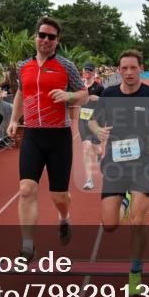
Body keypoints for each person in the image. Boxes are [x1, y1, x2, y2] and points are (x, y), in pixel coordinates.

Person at [88, 49, 149, 296]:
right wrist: (98, 132)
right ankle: (124, 200)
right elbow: (92, 121)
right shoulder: (109, 94)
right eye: (124, 68)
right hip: (115, 165)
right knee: (109, 225)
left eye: (133, 68)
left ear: (140, 68)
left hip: (143, 164)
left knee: (138, 222)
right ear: (119, 70)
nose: (128, 72)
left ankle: (135, 271)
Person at [6, 17, 87, 260]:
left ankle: (64, 217)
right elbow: (21, 92)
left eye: (51, 37)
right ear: (36, 36)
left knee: (58, 196)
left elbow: (84, 95)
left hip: (58, 137)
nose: (46, 40)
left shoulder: (66, 66)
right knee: (26, 189)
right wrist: (13, 119)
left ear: (57, 41)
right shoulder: (23, 66)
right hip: (32, 134)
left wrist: (68, 95)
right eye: (42, 35)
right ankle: (28, 246)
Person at [77, 63, 106, 190]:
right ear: (83, 72)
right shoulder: (80, 87)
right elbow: (75, 99)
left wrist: (98, 99)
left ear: (94, 72)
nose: (87, 72)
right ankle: (89, 180)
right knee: (86, 147)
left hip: (96, 121)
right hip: (83, 119)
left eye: (89, 70)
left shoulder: (99, 87)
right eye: (85, 70)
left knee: (97, 149)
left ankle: (100, 155)